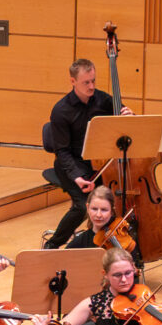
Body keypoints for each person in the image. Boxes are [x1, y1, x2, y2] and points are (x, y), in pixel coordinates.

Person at [43, 56, 125, 248]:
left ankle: (105, 248)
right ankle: (53, 245)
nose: (91, 86)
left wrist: (127, 113)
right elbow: (62, 152)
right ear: (73, 82)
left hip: (100, 165)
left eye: (93, 81)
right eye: (86, 82)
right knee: (82, 207)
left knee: (115, 203)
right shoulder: (61, 111)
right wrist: (77, 177)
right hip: (71, 165)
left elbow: (122, 115)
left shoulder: (103, 100)